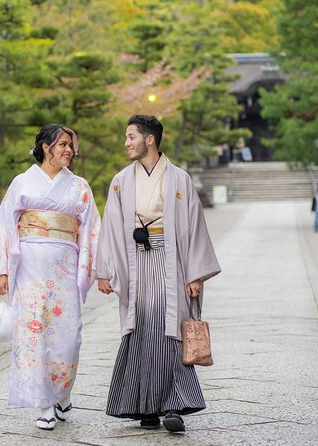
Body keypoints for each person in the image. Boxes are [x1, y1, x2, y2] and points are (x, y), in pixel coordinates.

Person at [96, 114, 221, 433]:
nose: (126, 143)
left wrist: (195, 273)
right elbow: (110, 228)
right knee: (140, 325)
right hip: (135, 260)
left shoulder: (180, 178)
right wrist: (105, 271)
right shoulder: (121, 181)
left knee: (170, 328)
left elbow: (194, 226)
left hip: (172, 260)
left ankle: (172, 405)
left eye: (131, 137)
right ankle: (144, 406)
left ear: (149, 139)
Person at [0, 124, 101, 431]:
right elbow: (5, 224)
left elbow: (92, 229)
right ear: (46, 147)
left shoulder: (80, 186)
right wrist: (2, 270)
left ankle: (62, 394)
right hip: (29, 271)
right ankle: (44, 404)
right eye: (63, 144)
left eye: (71, 146)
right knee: (34, 335)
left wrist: (99, 270)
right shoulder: (22, 182)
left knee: (68, 336)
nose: (69, 151)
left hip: (65, 269)